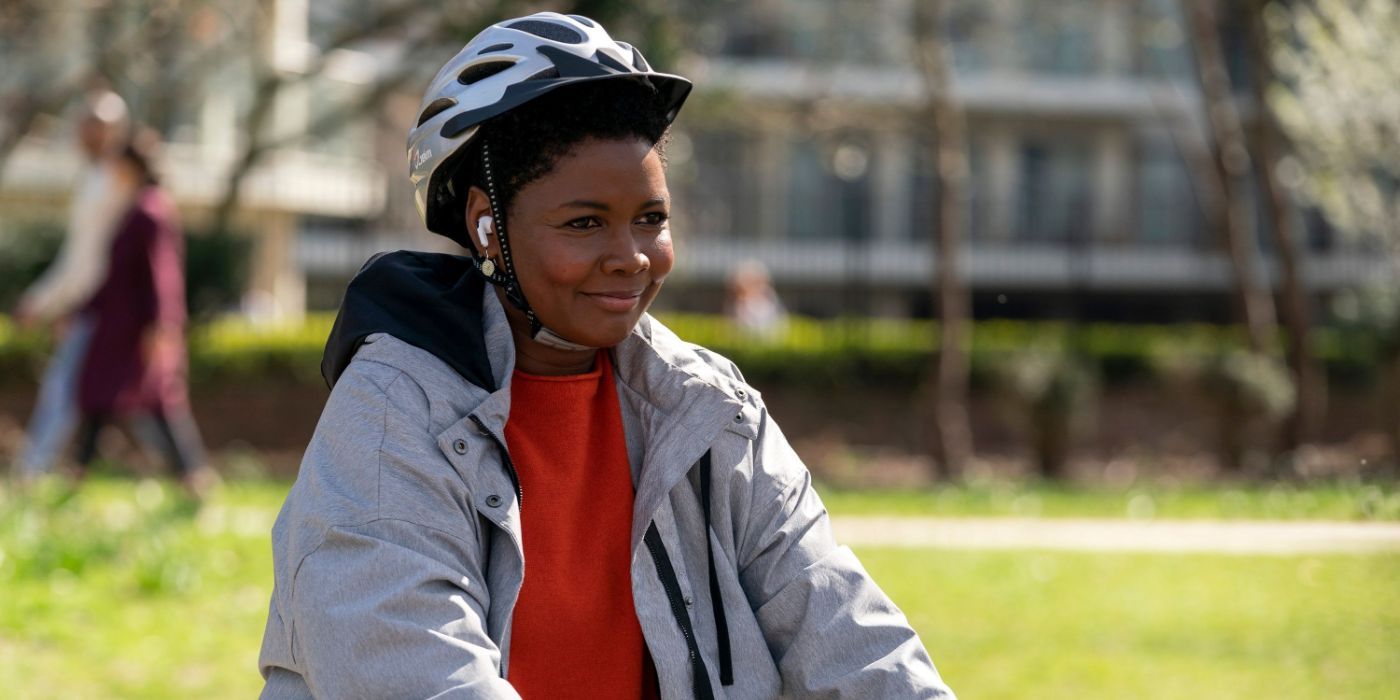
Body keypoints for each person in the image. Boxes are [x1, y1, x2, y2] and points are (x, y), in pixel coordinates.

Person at [259, 13, 954, 699]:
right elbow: (418, 675)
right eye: (584, 223)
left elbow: (845, 630)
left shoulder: (707, 410)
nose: (630, 258)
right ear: (485, 225)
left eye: (650, 219)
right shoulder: (390, 416)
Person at [71, 129, 213, 497]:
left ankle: (195, 479)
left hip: (138, 332)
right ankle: (77, 472)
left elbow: (159, 276)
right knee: (101, 399)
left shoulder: (150, 211)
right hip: (119, 328)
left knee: (159, 402)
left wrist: (160, 327)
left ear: (130, 167)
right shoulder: (136, 209)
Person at [11, 89, 133, 480]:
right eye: (86, 124)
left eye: (100, 125)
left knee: (67, 390)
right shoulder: (94, 179)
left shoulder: (117, 181)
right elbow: (77, 254)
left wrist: (48, 302)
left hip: (103, 307)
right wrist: (46, 301)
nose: (90, 133)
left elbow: (88, 260)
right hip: (90, 306)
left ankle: (33, 471)